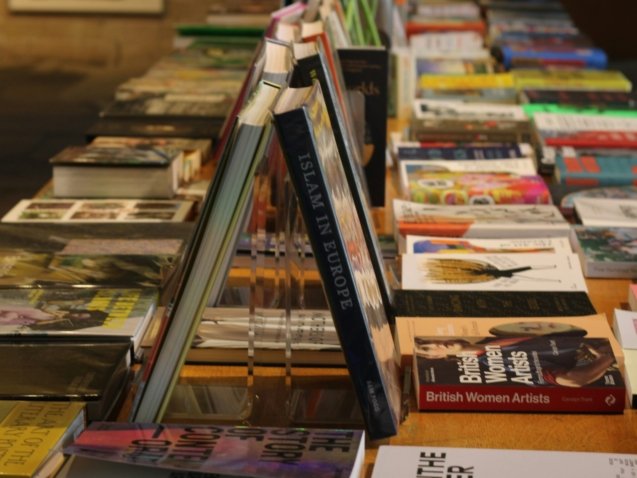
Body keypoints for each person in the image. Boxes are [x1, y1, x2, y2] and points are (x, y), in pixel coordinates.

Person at [414, 335, 616, 388]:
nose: (435, 343)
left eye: (426, 340)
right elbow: (572, 380)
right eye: (426, 348)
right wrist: (607, 358)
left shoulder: (492, 338)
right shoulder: (496, 364)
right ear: (434, 358)